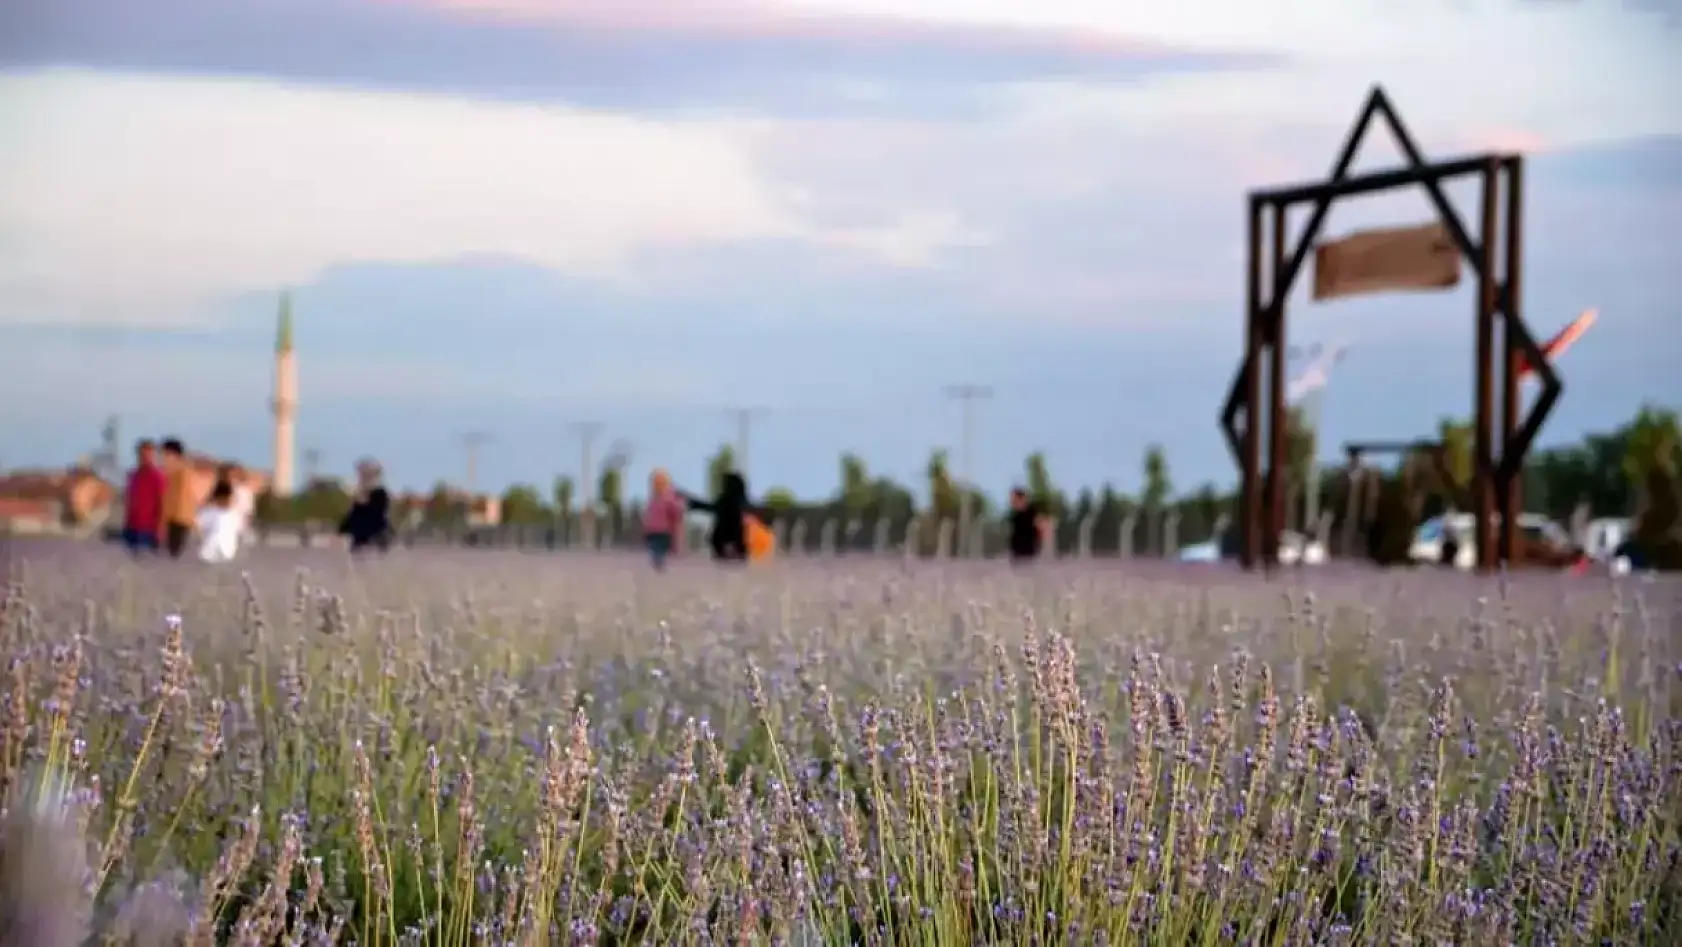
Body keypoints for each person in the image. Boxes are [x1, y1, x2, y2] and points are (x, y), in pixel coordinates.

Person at [682, 471, 767, 563]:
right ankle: (738, 552)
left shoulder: (724, 501)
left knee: (721, 548)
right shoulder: (743, 502)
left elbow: (711, 507)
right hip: (738, 538)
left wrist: (692, 503)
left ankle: (726, 553)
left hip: (722, 537)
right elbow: (755, 510)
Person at [122, 439, 167, 555]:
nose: (145, 458)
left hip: (149, 529)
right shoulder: (133, 475)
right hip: (132, 527)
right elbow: (129, 500)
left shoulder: (158, 476)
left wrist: (160, 529)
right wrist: (127, 523)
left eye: (148, 455)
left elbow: (163, 503)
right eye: (142, 454)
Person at [339, 459, 392, 553]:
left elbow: (378, 514)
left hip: (375, 537)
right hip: (360, 538)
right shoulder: (358, 494)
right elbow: (353, 514)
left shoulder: (380, 493)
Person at [641, 468, 685, 570]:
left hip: (653, 529)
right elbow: (674, 511)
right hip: (663, 530)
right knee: (660, 547)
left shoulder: (653, 498)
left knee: (655, 546)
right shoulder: (668, 496)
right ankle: (658, 559)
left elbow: (648, 514)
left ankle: (657, 558)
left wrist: (646, 526)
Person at [160, 438, 196, 560]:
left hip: (178, 519)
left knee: (173, 555)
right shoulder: (177, 472)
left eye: (165, 454)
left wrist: (165, 519)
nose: (163, 459)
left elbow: (179, 498)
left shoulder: (181, 472)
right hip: (177, 518)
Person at [195, 480, 243, 563]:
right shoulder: (209, 512)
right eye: (224, 498)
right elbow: (199, 527)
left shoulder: (235, 514)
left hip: (228, 555)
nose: (227, 501)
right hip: (209, 555)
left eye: (229, 498)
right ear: (217, 498)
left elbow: (238, 531)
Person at [1007, 487, 1049, 564]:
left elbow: (1043, 527)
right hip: (1016, 554)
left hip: (1029, 554)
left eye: (1014, 500)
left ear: (1022, 499)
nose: (1012, 502)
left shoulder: (1033, 512)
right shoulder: (1014, 516)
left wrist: (1040, 545)